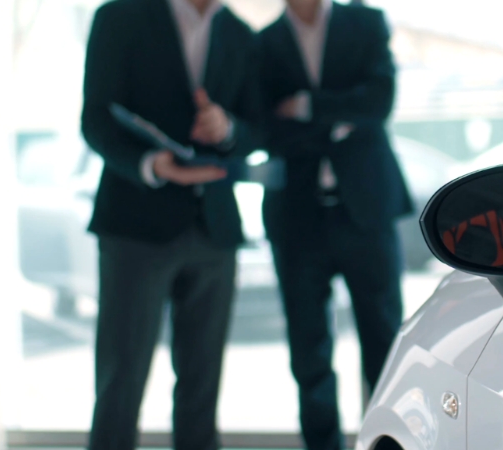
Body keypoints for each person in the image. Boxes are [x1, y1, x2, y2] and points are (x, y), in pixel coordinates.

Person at [80, 0, 259, 448]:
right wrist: (151, 164)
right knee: (120, 381)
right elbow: (96, 116)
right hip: (134, 225)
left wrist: (228, 128)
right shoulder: (119, 16)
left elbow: (258, 126)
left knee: (202, 388)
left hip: (214, 229)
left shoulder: (239, 33)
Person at [258, 1, 413, 448]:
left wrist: (306, 106)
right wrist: (341, 119)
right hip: (297, 218)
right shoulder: (264, 43)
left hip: (365, 210)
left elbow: (378, 102)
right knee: (309, 353)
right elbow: (266, 129)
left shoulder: (364, 22)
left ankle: (387, 443)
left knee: (384, 343)